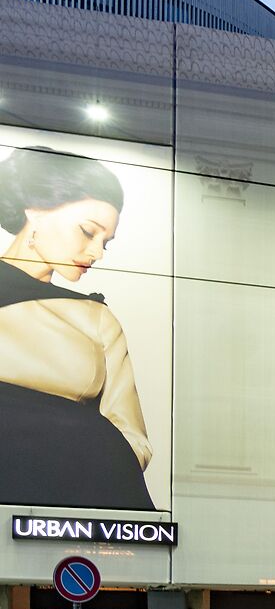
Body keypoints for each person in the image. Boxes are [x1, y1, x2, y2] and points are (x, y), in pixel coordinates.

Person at [0, 145, 155, 509]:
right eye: (88, 231)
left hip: (77, 497)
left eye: (106, 242)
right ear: (35, 211)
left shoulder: (94, 316)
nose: (97, 252)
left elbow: (133, 437)